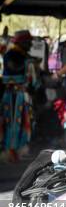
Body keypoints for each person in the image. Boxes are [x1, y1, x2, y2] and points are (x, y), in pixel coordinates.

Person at [1, 30, 39, 160]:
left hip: (22, 95)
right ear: (22, 42)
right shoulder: (11, 54)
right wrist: (29, 63)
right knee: (12, 122)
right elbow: (13, 67)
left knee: (23, 122)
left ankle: (19, 149)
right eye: (28, 42)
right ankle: (10, 150)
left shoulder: (23, 55)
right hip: (13, 95)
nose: (30, 44)